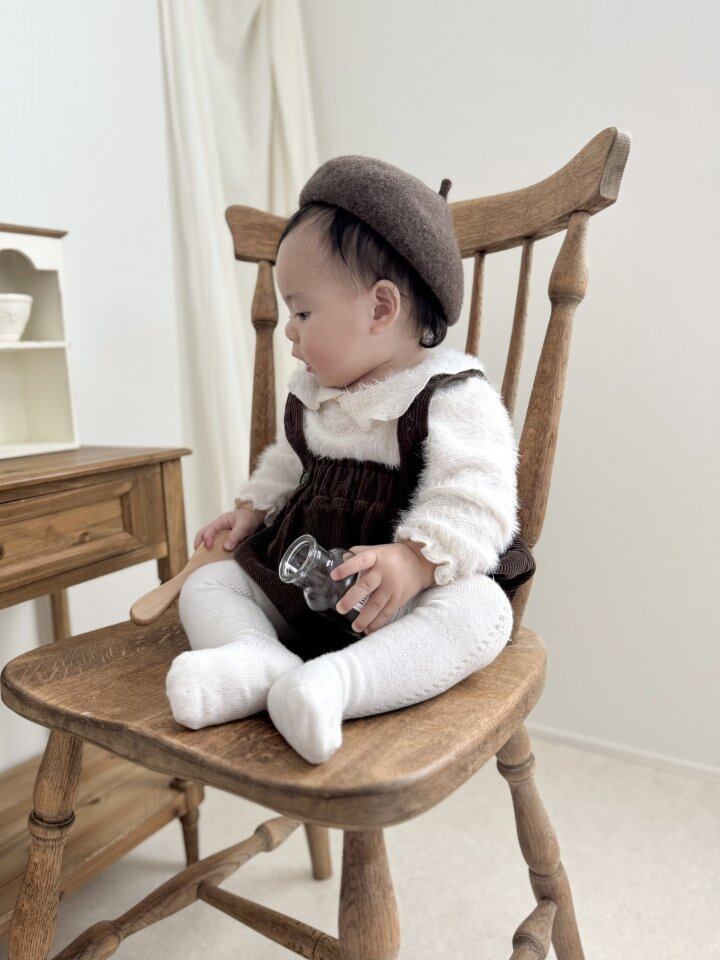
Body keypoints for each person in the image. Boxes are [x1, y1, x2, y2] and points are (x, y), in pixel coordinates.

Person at [165, 155, 535, 764]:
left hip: (398, 606)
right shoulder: (318, 395)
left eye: (302, 312)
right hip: (300, 585)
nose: (289, 331)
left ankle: (335, 686)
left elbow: (478, 496)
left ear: (381, 309)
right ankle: (256, 658)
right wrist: (253, 511)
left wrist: (415, 560)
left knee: (483, 612)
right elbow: (290, 466)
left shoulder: (450, 396)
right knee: (210, 583)